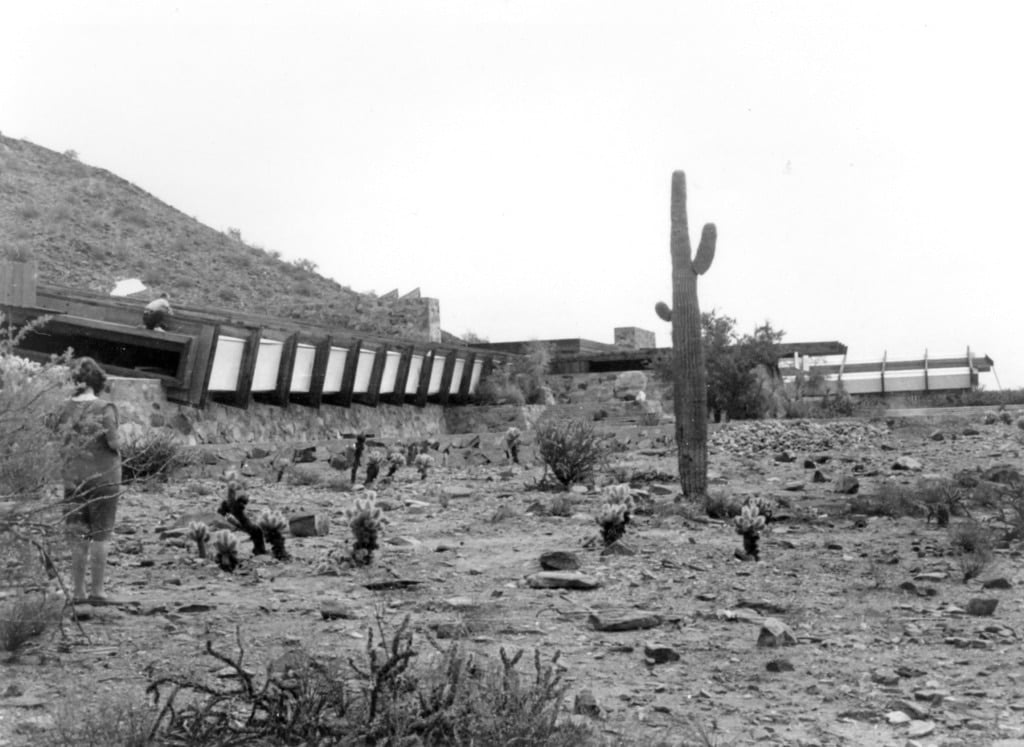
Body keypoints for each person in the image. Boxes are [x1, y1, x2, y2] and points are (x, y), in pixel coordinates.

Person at [58, 357, 123, 605]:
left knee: (77, 536)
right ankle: (98, 591)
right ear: (97, 380)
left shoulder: (62, 408)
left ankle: (78, 592)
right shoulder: (105, 408)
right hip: (104, 478)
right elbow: (113, 442)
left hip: (73, 478)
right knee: (101, 535)